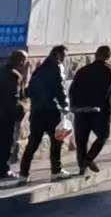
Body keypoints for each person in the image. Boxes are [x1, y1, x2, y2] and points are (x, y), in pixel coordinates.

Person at [19, 44, 69, 180]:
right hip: (52, 111)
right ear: (58, 54)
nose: (64, 58)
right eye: (64, 55)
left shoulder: (39, 69)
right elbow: (60, 89)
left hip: (37, 111)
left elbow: (29, 91)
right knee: (56, 142)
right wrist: (65, 105)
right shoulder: (57, 67)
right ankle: (56, 171)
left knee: (33, 143)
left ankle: (23, 174)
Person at [69, 45, 111, 175]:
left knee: (81, 140)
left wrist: (74, 106)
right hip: (99, 110)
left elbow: (72, 89)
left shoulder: (83, 70)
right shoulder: (108, 70)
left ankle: (82, 167)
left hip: (81, 110)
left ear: (96, 55)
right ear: (108, 56)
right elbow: (107, 90)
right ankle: (88, 159)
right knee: (103, 135)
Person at [0, 50, 25, 179]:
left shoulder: (1, 71)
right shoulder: (15, 75)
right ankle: (3, 170)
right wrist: (20, 111)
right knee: (7, 142)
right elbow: (15, 97)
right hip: (7, 115)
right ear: (20, 61)